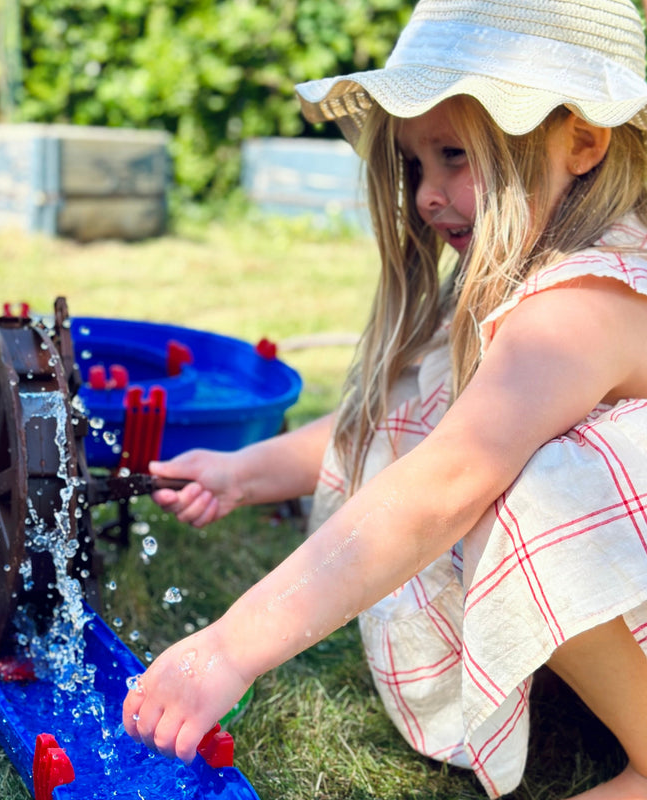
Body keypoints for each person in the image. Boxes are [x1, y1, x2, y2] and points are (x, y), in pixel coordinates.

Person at [123, 0, 647, 797]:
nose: (429, 195)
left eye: (452, 156)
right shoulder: (524, 275)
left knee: (527, 490)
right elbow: (410, 413)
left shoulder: (580, 308)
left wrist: (233, 646)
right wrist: (245, 473)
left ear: (581, 139)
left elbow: (447, 478)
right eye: (415, 165)